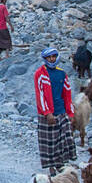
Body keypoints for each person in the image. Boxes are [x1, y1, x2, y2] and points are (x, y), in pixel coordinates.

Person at [33, 46, 76, 175]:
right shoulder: (40, 74)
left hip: (61, 110)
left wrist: (70, 112)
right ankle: (51, 166)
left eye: (53, 57)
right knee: (50, 141)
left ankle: (61, 163)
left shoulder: (62, 73)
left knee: (64, 137)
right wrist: (47, 113)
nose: (51, 59)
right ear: (45, 59)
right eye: (49, 57)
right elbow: (40, 94)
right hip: (47, 113)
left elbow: (67, 94)